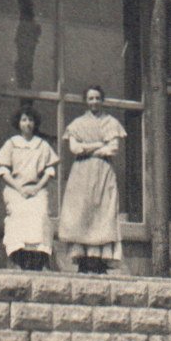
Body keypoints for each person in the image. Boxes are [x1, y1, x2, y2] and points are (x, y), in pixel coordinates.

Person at [57, 86, 124, 274]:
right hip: (82, 172)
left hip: (103, 172)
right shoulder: (77, 124)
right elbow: (75, 149)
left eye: (97, 98)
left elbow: (113, 148)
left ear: (102, 100)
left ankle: (100, 259)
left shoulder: (111, 122)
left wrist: (90, 147)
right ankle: (83, 258)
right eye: (90, 98)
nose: (94, 102)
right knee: (82, 212)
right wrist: (98, 145)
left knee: (103, 212)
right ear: (86, 101)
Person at [0, 106, 58, 271]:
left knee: (41, 214)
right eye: (24, 120)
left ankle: (38, 260)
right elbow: (3, 170)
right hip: (15, 189)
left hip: (37, 189)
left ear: (35, 123)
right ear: (18, 123)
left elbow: (50, 171)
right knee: (18, 215)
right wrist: (19, 188)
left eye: (30, 120)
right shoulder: (12, 143)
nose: (27, 123)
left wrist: (36, 187)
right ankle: (19, 259)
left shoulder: (42, 145)